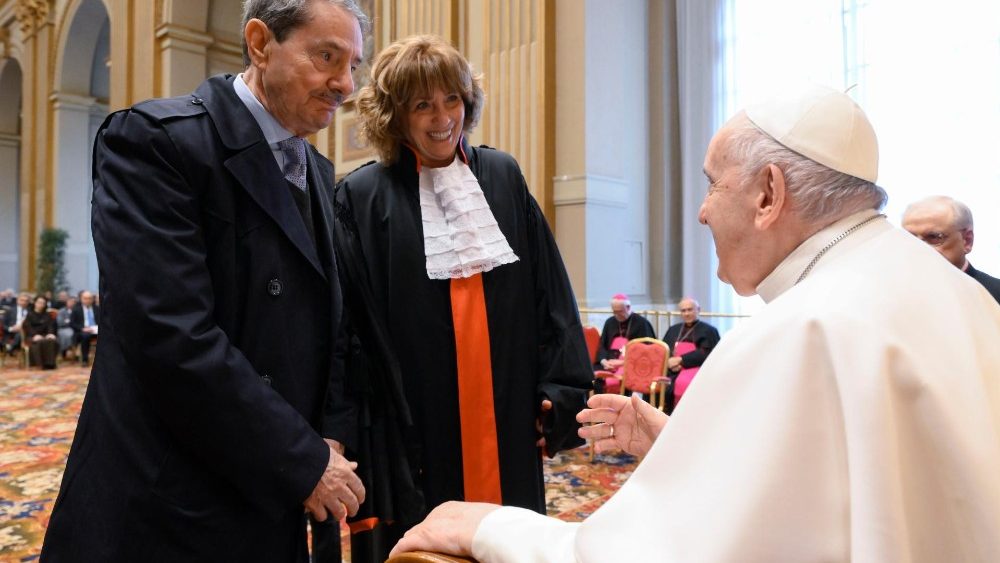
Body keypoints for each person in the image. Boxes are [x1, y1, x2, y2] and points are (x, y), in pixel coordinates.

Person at [388, 85, 1000, 562]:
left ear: (768, 195)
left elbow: (648, 553)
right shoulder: (959, 295)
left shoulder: (799, 329)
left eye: (712, 184)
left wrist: (491, 524)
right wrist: (683, 443)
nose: (703, 212)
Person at [42, 1, 370, 561]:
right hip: (172, 498)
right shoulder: (155, 141)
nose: (344, 83)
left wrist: (329, 435)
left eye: (353, 66)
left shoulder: (316, 170)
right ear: (261, 43)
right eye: (326, 57)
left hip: (271, 487)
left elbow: (332, 321)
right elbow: (170, 337)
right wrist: (300, 457)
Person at [333, 34, 593, 561]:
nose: (441, 117)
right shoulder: (362, 196)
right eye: (421, 104)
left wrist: (561, 388)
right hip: (418, 422)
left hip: (507, 408)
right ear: (395, 114)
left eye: (451, 99)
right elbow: (349, 328)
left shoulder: (502, 175)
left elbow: (551, 291)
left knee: (510, 536)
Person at [902, 195, 1000, 304]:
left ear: (967, 240)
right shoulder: (892, 294)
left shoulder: (995, 296)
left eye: (934, 237)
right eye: (909, 237)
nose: (918, 248)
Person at [660, 297, 720, 411]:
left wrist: (681, 360)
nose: (686, 313)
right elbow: (664, 349)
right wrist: (669, 362)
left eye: (690, 310)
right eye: (683, 311)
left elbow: (708, 353)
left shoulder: (709, 330)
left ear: (698, 309)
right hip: (672, 370)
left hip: (695, 371)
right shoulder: (673, 329)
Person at [594, 293, 655, 371]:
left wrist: (623, 362)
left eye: (620, 311)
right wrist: (604, 361)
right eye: (614, 312)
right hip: (609, 363)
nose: (617, 315)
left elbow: (647, 350)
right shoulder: (610, 322)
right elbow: (602, 345)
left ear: (628, 307)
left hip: (632, 364)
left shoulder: (642, 323)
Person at [23, 294, 59, 369]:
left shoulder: (47, 315)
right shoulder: (29, 314)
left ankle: (50, 364)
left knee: (52, 340)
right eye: (39, 302)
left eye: (43, 303)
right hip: (32, 336)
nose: (41, 305)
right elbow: (28, 327)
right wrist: (34, 335)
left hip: (45, 334)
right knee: (39, 342)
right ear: (35, 303)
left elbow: (50, 326)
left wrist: (50, 334)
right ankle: (40, 364)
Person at [69, 290, 100, 367]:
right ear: (81, 299)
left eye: (90, 298)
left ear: (92, 299)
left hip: (96, 331)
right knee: (85, 336)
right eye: (85, 298)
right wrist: (83, 328)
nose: (88, 300)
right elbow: (72, 323)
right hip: (82, 332)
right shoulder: (76, 309)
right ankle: (85, 360)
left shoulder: (97, 308)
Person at [2, 292, 30, 356]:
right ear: (17, 300)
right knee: (19, 333)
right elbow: (3, 325)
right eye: (22, 300)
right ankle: (13, 348)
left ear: (28, 302)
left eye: (26, 301)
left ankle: (11, 348)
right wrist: (11, 329)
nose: (24, 302)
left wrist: (22, 328)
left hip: (26, 334)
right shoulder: (10, 311)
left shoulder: (30, 312)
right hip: (11, 333)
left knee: (21, 332)